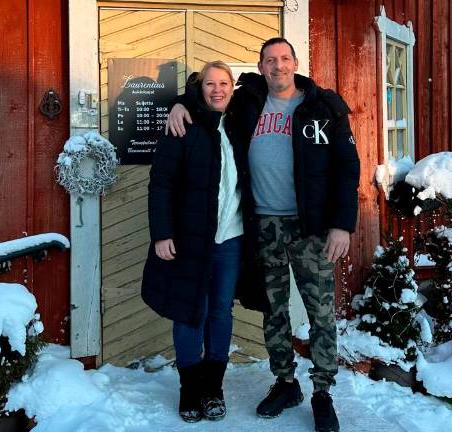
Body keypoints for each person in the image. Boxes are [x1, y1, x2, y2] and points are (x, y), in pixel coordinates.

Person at [166, 38, 360, 432]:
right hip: (262, 225)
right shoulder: (247, 100)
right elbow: (207, 91)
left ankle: (322, 392)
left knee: (320, 312)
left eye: (284, 59)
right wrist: (180, 103)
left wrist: (343, 224)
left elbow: (347, 167)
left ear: (295, 63)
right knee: (273, 310)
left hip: (311, 229)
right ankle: (286, 383)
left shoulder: (323, 107)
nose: (277, 66)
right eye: (270, 60)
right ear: (260, 65)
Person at [141, 61, 244, 423]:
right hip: (188, 240)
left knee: (220, 311)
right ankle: (189, 388)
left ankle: (213, 388)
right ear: (200, 89)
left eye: (224, 83)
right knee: (189, 311)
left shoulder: (240, 123)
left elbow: (273, 87)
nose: (217, 90)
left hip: (231, 239)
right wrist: (162, 234)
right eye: (209, 84)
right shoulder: (183, 126)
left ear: (233, 88)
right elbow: (161, 183)